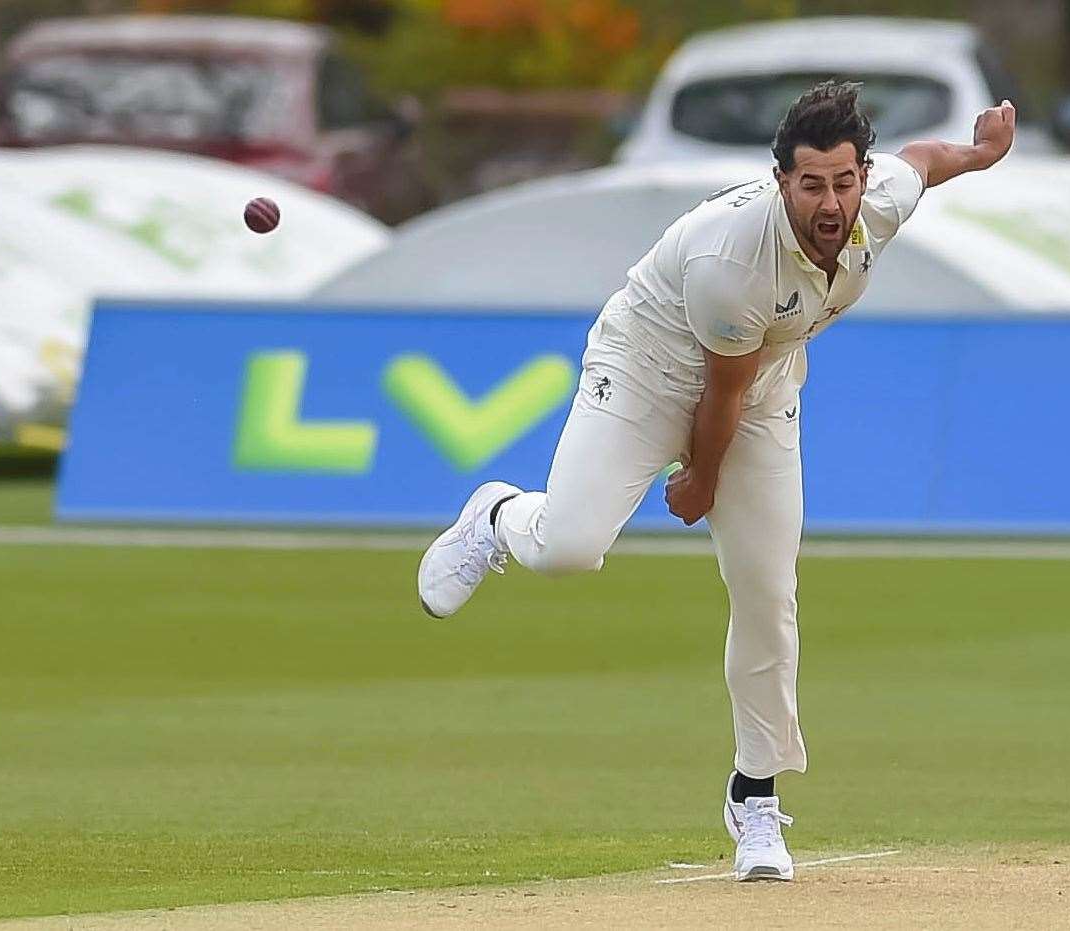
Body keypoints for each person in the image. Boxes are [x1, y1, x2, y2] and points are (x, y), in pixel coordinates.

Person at [418, 80, 1016, 882]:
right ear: (781, 183)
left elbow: (924, 160)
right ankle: (497, 518)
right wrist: (698, 478)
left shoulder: (880, 200)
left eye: (844, 181)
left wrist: (978, 152)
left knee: (767, 590)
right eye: (811, 185)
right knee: (567, 548)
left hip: (760, 390)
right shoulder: (734, 256)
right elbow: (715, 394)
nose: (831, 202)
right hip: (646, 373)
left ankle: (756, 798)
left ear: (862, 176)